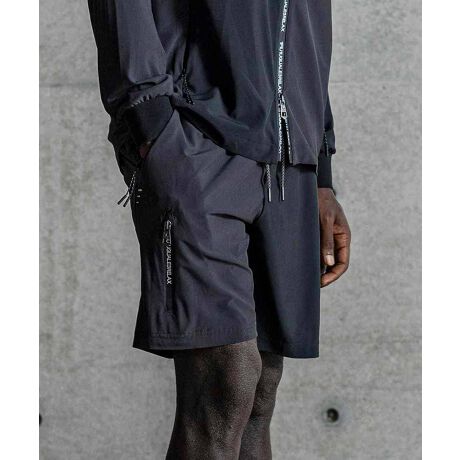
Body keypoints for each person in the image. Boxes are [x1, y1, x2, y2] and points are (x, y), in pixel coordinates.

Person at [88, 1, 351, 458]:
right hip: (199, 139)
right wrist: (150, 119)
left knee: (260, 392)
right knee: (226, 379)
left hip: (292, 162)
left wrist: (320, 171)